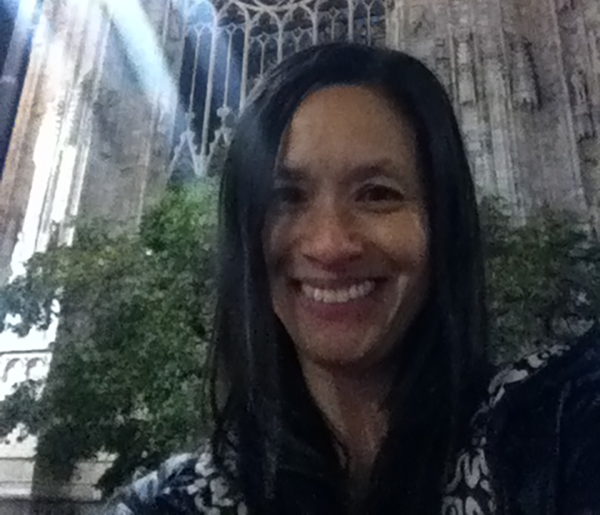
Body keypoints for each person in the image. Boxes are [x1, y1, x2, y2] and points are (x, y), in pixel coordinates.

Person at [109, 43, 600, 515]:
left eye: (378, 194)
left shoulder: (555, 431)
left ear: (443, 221)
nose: (329, 245)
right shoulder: (172, 504)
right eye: (286, 196)